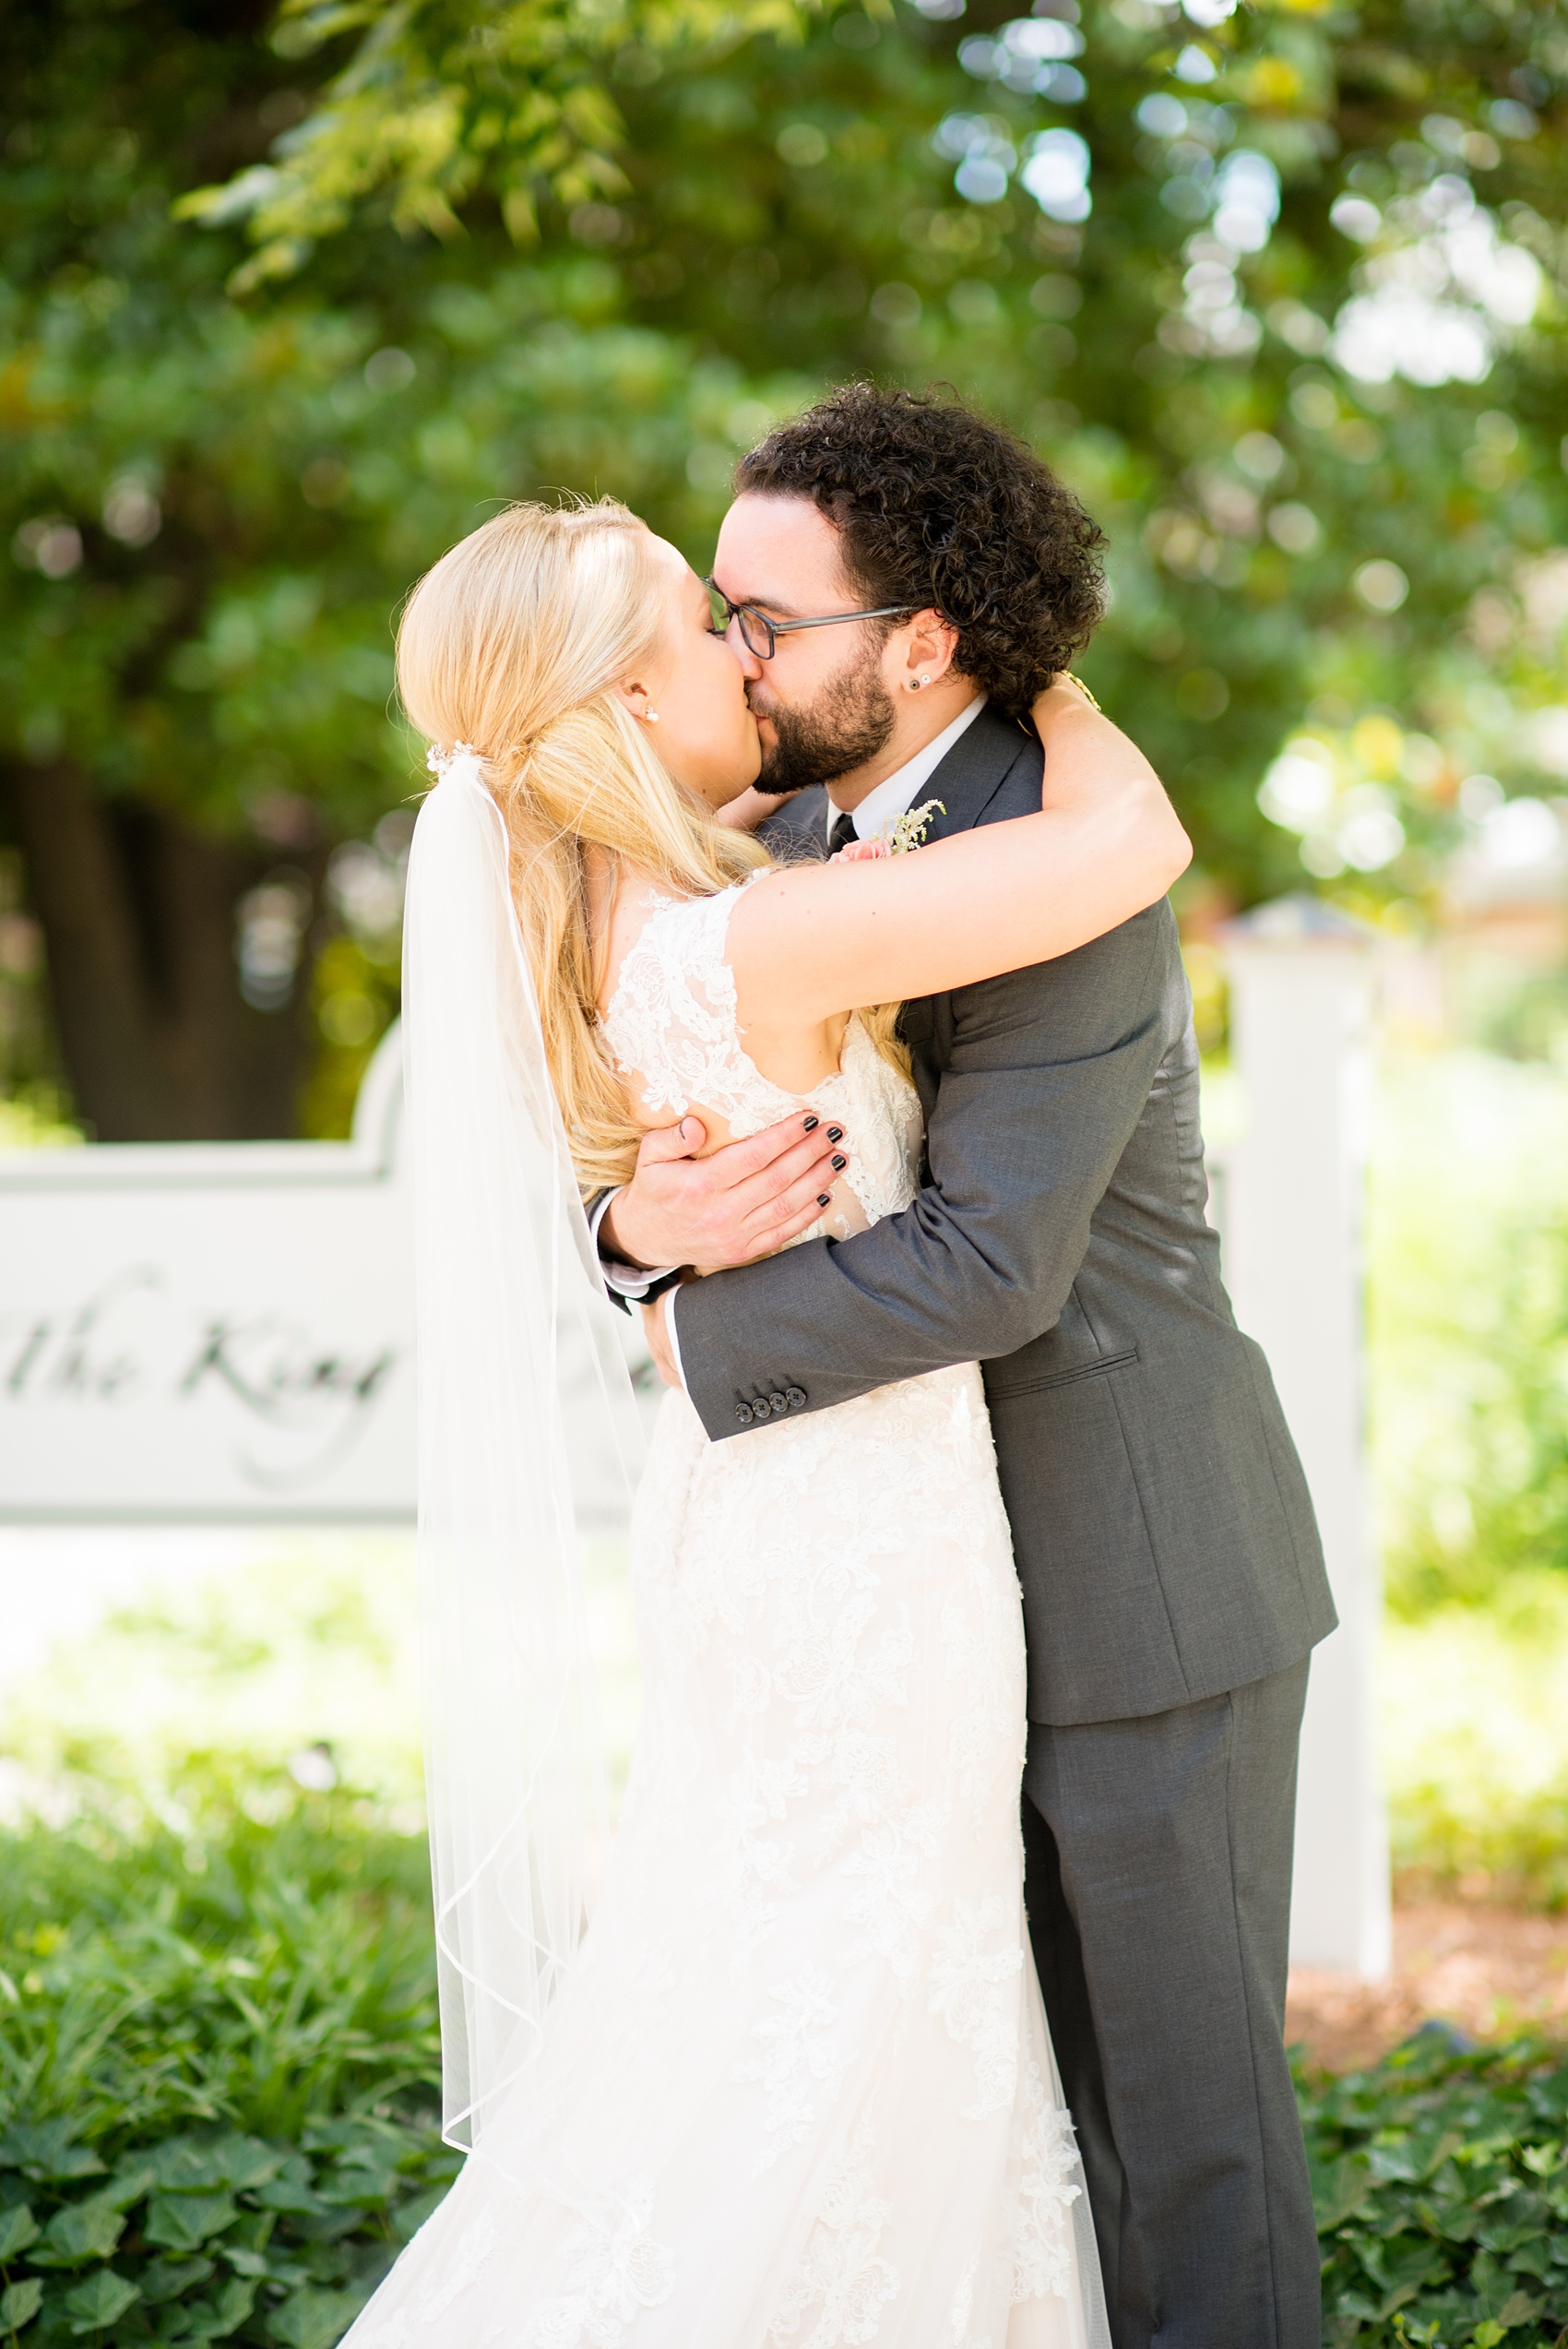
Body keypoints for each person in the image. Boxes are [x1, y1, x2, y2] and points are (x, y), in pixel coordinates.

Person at [343, 476, 1188, 2349]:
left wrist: (630, 1244)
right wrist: (1043, 686)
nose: (745, 651)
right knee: (859, 1996)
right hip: (864, 1552)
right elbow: (1128, 843)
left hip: (758, 1520)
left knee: (763, 1976)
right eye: (698, 624)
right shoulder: (757, 940)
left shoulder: (600, 920)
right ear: (633, 707)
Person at [596, 386, 1338, 2349]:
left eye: (766, 618)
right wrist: (625, 1239)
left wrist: (689, 1333)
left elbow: (998, 1259)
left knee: (1177, 2147)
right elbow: (654, 1112)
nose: (735, 658)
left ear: (916, 639)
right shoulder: (792, 829)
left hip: (1132, 1575)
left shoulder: (1059, 856)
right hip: (905, 1600)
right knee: (991, 2136)